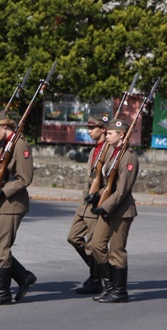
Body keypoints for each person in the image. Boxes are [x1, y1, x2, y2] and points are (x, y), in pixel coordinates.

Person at [0, 110, 36, 306]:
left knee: (0, 248)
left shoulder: (20, 145)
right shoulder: (1, 145)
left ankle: (3, 293)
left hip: (12, 203)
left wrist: (4, 191)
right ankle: (23, 277)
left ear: (4, 126)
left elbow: (25, 178)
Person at [88, 119, 138, 303]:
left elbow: (122, 189)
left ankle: (119, 291)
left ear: (122, 135)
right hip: (107, 207)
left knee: (117, 250)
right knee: (96, 245)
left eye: (110, 134)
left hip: (121, 211)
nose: (106, 136)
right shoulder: (113, 154)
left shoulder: (128, 157)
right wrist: (97, 195)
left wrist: (104, 206)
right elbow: (110, 184)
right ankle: (109, 285)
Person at [67, 116, 112, 295]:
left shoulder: (109, 150)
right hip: (85, 202)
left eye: (93, 128)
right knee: (73, 237)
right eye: (89, 127)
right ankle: (98, 273)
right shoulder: (95, 150)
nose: (89, 130)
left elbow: (111, 181)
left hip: (96, 202)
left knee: (94, 243)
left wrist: (99, 195)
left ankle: (96, 279)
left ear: (103, 129)